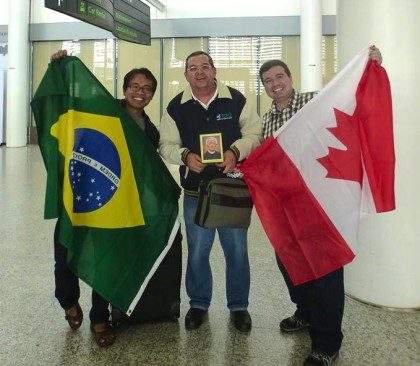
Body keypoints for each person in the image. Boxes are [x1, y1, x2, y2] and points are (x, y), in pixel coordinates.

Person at [259, 46, 383, 366]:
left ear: (289, 78)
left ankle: (327, 343)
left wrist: (368, 68)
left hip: (319, 204)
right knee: (291, 265)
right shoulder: (266, 120)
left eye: (279, 76)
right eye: (268, 80)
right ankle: (304, 312)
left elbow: (350, 97)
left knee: (326, 272)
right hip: (285, 208)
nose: (275, 83)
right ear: (264, 87)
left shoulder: (313, 103)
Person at [50, 50, 160, 347]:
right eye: (135, 86)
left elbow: (148, 175)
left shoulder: (150, 132)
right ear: (125, 89)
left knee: (107, 262)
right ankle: (68, 301)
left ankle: (100, 318)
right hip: (81, 199)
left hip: (115, 209)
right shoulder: (102, 109)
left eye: (147, 89)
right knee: (65, 253)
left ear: (151, 96)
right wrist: (60, 68)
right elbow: (69, 100)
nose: (140, 92)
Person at [159, 51, 261, 332]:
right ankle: (199, 304)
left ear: (214, 70)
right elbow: (165, 144)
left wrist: (235, 151)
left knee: (237, 252)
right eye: (193, 68)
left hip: (232, 191)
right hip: (196, 193)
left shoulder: (236, 100)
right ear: (186, 75)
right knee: (197, 253)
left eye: (205, 66)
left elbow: (254, 133)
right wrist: (184, 156)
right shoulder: (176, 107)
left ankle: (239, 306)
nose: (199, 72)